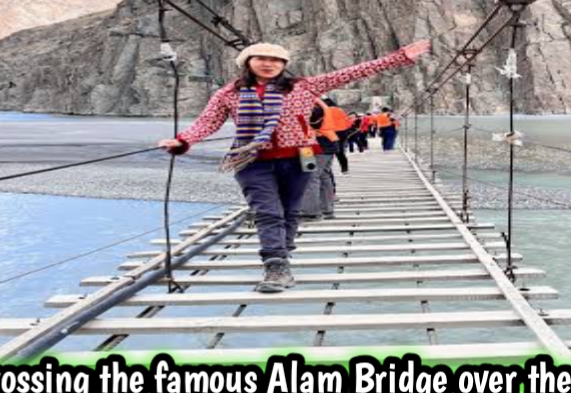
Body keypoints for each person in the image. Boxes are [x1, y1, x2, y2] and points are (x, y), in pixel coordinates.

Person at [159, 40, 430, 293]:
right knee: (267, 211)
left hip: (298, 158)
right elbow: (207, 122)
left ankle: (282, 253)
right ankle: (275, 265)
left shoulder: (303, 87)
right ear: (247, 61)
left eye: (276, 60)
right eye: (262, 59)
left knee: (290, 211)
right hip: (252, 160)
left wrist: (399, 58)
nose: (269, 64)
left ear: (284, 65)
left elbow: (351, 73)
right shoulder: (229, 94)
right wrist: (183, 140)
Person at [299, 99, 338, 221]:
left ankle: (310, 212)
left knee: (310, 178)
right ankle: (327, 209)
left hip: (313, 146)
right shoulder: (323, 106)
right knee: (324, 176)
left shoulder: (313, 108)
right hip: (328, 144)